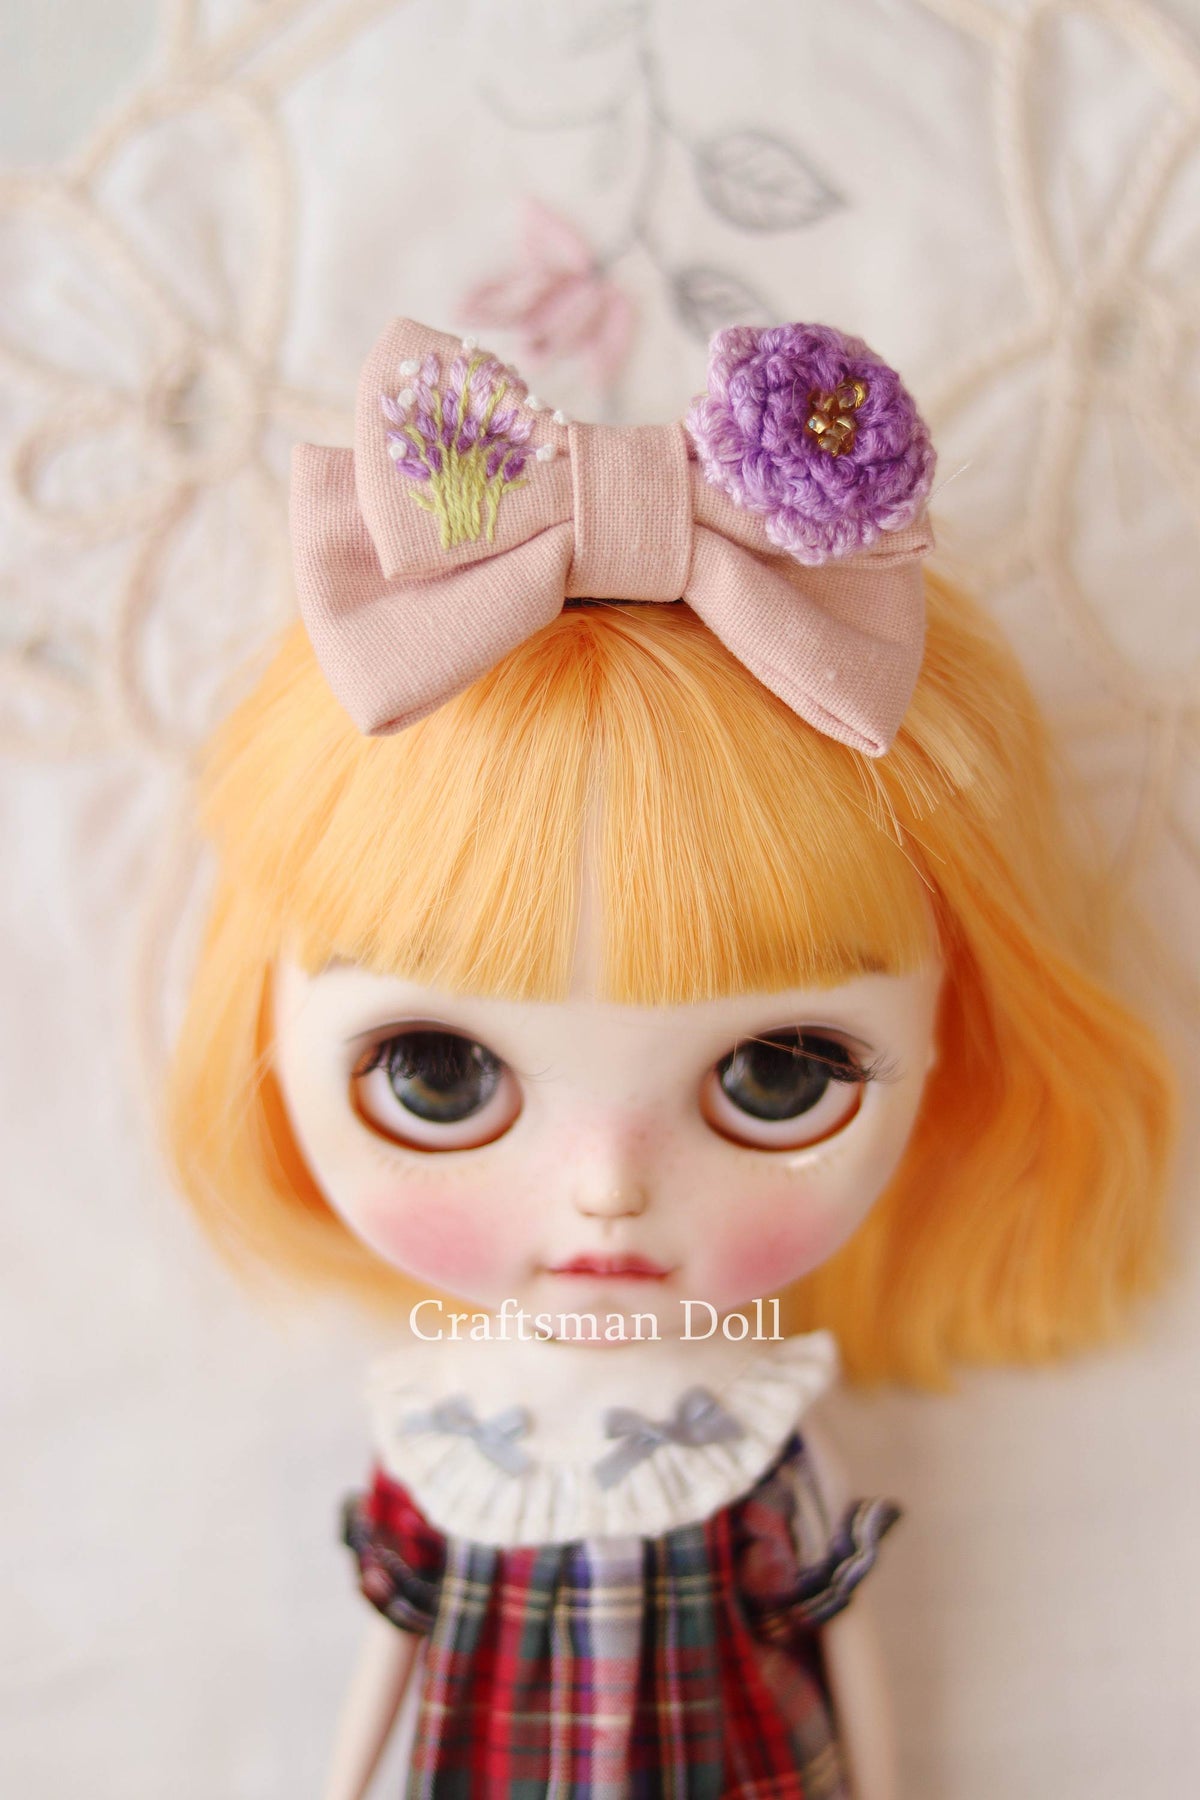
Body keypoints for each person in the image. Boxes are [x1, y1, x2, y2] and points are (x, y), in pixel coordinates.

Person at [167, 319, 1173, 1797]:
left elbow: (839, 1633)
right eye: (439, 1074)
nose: (606, 1193)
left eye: (779, 1075)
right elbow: (398, 1636)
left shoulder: (747, 1429)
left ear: (958, 1041)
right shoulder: (451, 1431)